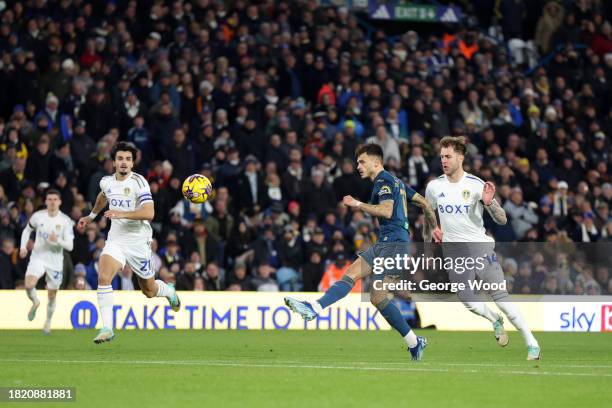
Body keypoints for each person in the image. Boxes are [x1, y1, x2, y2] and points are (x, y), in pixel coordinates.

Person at [285, 144, 438, 360]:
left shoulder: (384, 180)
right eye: (357, 162)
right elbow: (425, 203)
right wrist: (432, 232)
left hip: (394, 243)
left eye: (362, 161)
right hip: (388, 242)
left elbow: (386, 210)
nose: (358, 166)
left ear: (376, 162)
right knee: (357, 279)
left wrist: (357, 204)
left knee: (376, 294)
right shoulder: (397, 182)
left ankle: (414, 342)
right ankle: (315, 308)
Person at [424, 136, 540, 360]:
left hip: (479, 247)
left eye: (448, 157)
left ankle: (531, 342)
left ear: (460, 157)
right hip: (453, 250)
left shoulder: (476, 185)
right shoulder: (434, 187)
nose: (444, 161)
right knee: (467, 299)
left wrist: (489, 203)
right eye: (441, 157)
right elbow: (428, 214)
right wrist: (432, 230)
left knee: (500, 296)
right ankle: (494, 320)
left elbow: (502, 219)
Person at [77, 142, 180, 344]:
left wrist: (121, 213)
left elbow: (149, 213)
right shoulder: (106, 182)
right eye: (120, 159)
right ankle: (107, 327)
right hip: (116, 239)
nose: (124, 162)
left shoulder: (139, 182)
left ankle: (168, 291)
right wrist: (91, 216)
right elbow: (102, 197)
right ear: (114, 162)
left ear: (133, 163)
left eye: (128, 159)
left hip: (138, 242)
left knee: (149, 290)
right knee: (104, 277)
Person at [19, 189, 74, 335]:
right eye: (49, 199)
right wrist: (23, 247)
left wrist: (58, 241)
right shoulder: (38, 216)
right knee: (29, 284)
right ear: (45, 201)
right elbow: (26, 230)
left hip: (55, 262)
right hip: (38, 257)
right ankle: (35, 301)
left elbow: (70, 246)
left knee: (52, 295)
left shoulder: (65, 221)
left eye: (55, 199)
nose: (52, 202)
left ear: (60, 202)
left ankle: (48, 322)